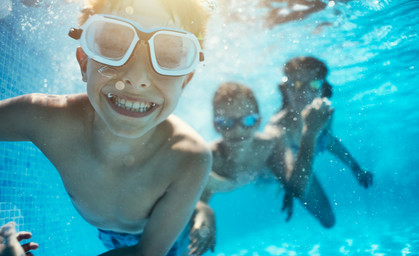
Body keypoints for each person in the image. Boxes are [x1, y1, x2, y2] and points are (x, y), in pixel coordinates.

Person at [0, 0, 212, 255]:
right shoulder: (45, 119)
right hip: (111, 237)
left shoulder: (189, 157)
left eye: (168, 57)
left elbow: (147, 252)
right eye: (113, 45)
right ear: (84, 63)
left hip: (167, 239)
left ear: (185, 81)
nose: (137, 78)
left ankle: (200, 208)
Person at [265, 56, 373, 227]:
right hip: (270, 174)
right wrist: (289, 188)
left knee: (328, 220)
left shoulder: (323, 113)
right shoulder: (278, 127)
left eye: (314, 84)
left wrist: (355, 167)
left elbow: (328, 140)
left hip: (300, 168)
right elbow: (283, 169)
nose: (305, 92)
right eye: (297, 84)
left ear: (322, 89)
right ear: (286, 88)